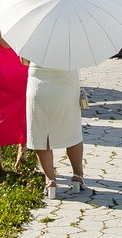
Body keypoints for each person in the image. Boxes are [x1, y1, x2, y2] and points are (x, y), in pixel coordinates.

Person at [27, 53, 87, 198]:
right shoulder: (72, 31)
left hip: (38, 80)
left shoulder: (32, 31)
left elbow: (24, 60)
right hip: (66, 80)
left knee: (41, 131)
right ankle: (77, 176)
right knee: (72, 128)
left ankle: (50, 180)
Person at [0, 36, 29, 176]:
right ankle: (22, 150)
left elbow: (2, 42)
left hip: (1, 69)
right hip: (22, 69)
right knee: (23, 111)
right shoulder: (28, 17)